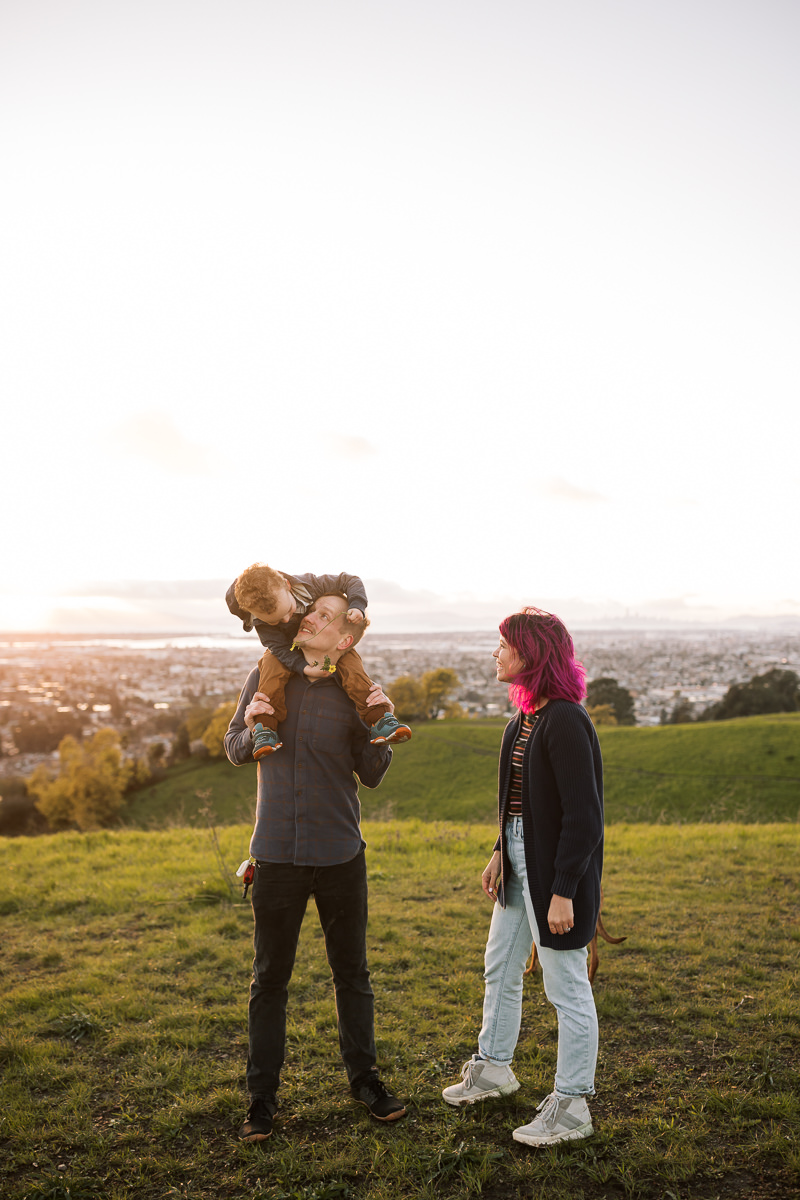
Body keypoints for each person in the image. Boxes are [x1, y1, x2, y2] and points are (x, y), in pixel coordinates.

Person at [225, 592, 407, 1141]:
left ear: (345, 639)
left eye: (326, 617)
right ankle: (262, 1100)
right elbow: (234, 747)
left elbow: (371, 774)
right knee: (269, 980)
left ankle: (366, 1081)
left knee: (352, 974)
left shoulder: (354, 692)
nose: (312, 619)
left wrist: (382, 723)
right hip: (276, 852)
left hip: (340, 854)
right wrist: (251, 722)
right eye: (313, 612)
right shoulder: (266, 676)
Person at [442, 607, 604, 1147]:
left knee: (566, 986)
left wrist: (563, 890)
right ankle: (494, 1068)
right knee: (500, 967)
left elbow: (584, 818)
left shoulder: (565, 720)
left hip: (555, 867)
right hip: (517, 857)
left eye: (505, 645)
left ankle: (574, 1104)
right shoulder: (522, 720)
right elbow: (521, 806)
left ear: (531, 654)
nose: (496, 653)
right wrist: (498, 852)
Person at [226, 563, 411, 758]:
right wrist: (304, 668)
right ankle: (265, 729)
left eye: (291, 609)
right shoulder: (258, 672)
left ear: (289, 586)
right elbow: (279, 649)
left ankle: (379, 718)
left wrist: (358, 605)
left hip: (332, 660)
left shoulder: (311, 585)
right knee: (272, 666)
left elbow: (349, 580)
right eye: (276, 621)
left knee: (350, 664)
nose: (288, 620)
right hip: (284, 654)